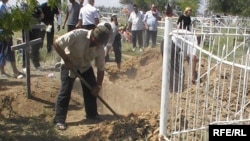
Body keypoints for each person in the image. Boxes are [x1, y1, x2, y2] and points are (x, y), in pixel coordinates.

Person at [53, 25, 110, 130]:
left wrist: (98, 86)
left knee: (91, 88)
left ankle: (92, 115)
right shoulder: (78, 34)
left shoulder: (100, 48)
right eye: (100, 42)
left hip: (85, 66)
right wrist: (66, 60)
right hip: (69, 65)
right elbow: (57, 43)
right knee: (65, 91)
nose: (101, 45)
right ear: (94, 37)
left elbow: (101, 68)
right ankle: (59, 120)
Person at [0, 0, 23, 79]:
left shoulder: (5, 5)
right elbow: (3, 22)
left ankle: (15, 70)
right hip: (3, 33)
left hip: (7, 32)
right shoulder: (1, 6)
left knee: (10, 51)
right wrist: (6, 34)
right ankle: (2, 72)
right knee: (3, 52)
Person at [22, 2, 44, 71]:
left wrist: (40, 12)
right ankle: (25, 65)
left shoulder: (37, 5)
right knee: (25, 46)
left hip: (35, 29)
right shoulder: (23, 4)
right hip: (26, 28)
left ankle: (36, 65)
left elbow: (42, 16)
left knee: (35, 47)